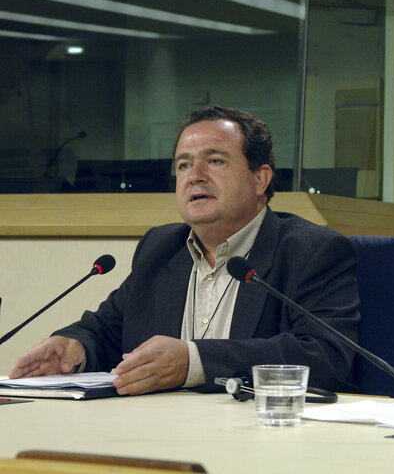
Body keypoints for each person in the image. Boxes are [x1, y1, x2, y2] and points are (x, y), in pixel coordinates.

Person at [10, 105, 360, 395]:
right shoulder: (161, 248)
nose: (195, 176)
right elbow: (107, 328)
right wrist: (75, 348)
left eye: (215, 161)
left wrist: (194, 362)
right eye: (183, 164)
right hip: (161, 435)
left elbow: (325, 355)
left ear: (260, 179)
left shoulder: (311, 250)